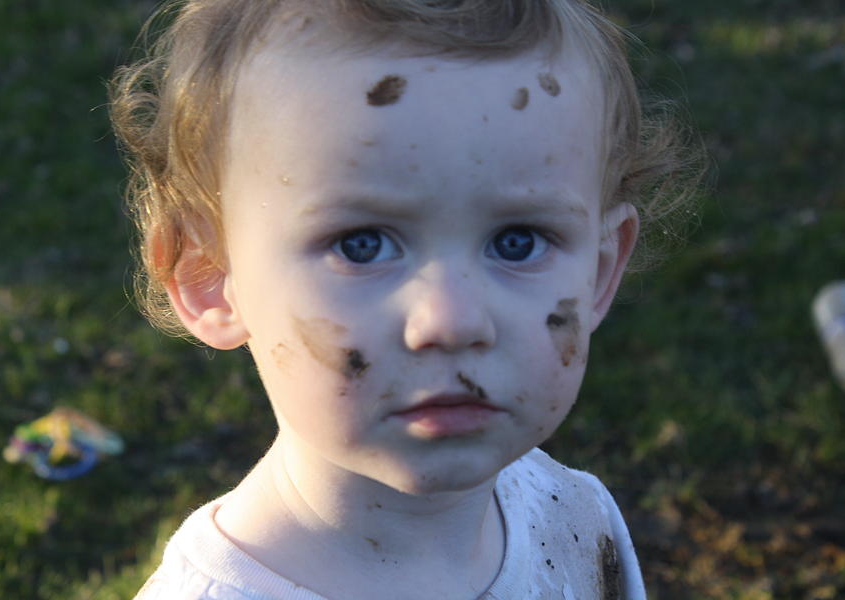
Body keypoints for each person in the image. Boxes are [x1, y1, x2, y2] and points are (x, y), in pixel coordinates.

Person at [110, 0, 701, 598]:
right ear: (210, 274)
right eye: (362, 245)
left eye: (518, 242)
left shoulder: (574, 517)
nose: (451, 320)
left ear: (598, 272)